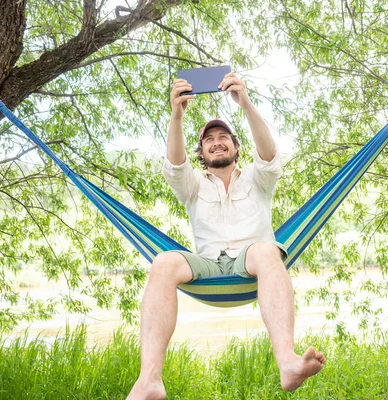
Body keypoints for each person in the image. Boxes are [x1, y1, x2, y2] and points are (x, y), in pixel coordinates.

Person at [126, 73, 325, 400]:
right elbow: (175, 165)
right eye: (208, 140)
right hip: (207, 264)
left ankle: (287, 362)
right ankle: (150, 380)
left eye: (223, 137)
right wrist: (177, 114)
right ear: (201, 153)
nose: (216, 141)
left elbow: (270, 154)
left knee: (266, 250)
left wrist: (243, 102)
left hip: (251, 262)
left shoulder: (258, 179)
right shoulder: (193, 186)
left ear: (236, 146)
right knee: (163, 261)